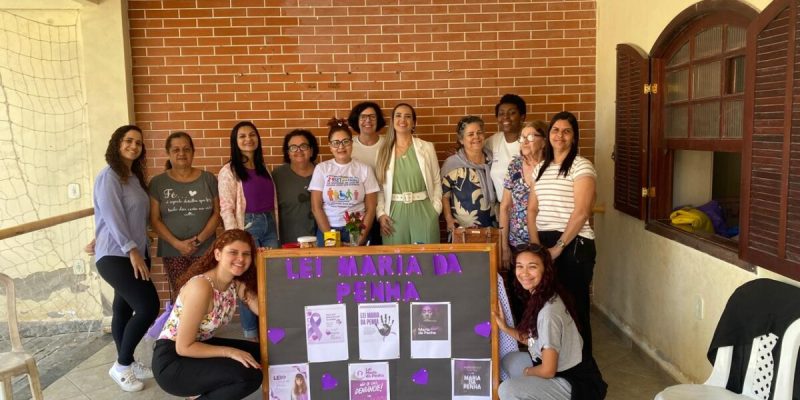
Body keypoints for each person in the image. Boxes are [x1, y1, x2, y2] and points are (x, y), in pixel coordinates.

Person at [152, 229, 262, 400]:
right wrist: (231, 352)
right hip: (173, 360)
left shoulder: (236, 283)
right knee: (249, 375)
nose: (241, 259)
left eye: (246, 254)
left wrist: (265, 261)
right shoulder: (201, 287)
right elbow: (183, 347)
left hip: (199, 345)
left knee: (263, 353)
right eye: (233, 252)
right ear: (217, 254)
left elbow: (264, 312)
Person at [92, 125, 159, 392]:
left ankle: (128, 362)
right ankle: (120, 366)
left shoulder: (133, 177)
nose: (134, 146)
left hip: (134, 252)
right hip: (117, 255)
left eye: (139, 143)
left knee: (122, 309)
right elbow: (111, 214)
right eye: (128, 141)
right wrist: (132, 250)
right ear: (117, 143)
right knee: (148, 307)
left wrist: (143, 241)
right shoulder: (108, 176)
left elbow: (128, 216)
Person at [494, 244, 607, 400]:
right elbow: (535, 340)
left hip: (576, 384)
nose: (524, 273)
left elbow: (548, 370)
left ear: (545, 270)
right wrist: (505, 327)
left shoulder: (548, 313)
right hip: (559, 369)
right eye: (520, 266)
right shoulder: (542, 295)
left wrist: (528, 372)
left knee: (507, 390)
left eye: (532, 267)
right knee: (509, 360)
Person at [526, 111, 597, 356]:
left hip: (573, 244)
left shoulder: (582, 166)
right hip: (544, 242)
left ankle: (582, 369)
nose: (560, 135)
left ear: (574, 137)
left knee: (574, 307)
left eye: (567, 131)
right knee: (546, 306)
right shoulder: (540, 169)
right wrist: (536, 248)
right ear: (548, 135)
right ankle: (552, 362)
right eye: (555, 130)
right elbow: (532, 209)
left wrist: (557, 248)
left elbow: (581, 212)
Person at [218, 120, 279, 340]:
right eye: (242, 136)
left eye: (252, 135)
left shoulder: (264, 169)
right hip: (247, 227)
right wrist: (235, 240)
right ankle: (251, 335)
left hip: (270, 225)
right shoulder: (229, 171)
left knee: (271, 279)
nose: (248, 139)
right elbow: (226, 208)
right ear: (235, 141)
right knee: (247, 282)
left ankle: (270, 332)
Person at [149, 131, 220, 296]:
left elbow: (217, 213)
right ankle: (183, 324)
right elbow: (155, 219)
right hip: (173, 251)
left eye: (186, 149)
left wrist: (197, 241)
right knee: (181, 295)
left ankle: (204, 323)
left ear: (193, 152)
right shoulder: (158, 183)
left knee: (206, 294)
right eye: (176, 150)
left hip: (205, 249)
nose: (181, 153)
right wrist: (178, 244)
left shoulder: (208, 179)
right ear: (168, 153)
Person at [375, 103, 442, 244]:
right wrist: (381, 214)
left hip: (424, 210)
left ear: (414, 123)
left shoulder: (427, 148)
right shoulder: (383, 150)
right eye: (398, 116)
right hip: (393, 214)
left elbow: (436, 181)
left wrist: (435, 210)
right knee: (396, 261)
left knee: (426, 261)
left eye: (408, 116)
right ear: (392, 121)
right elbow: (380, 188)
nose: (402, 120)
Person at [309, 118, 379, 246]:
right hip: (328, 229)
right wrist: (332, 239)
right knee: (330, 266)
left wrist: (359, 239)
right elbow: (316, 207)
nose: (341, 146)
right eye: (336, 143)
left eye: (345, 141)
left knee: (358, 266)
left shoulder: (365, 169)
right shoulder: (322, 169)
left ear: (352, 144)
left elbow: (371, 208)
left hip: (357, 230)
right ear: (330, 146)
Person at [500, 120, 548, 266]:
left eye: (531, 137)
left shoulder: (551, 167)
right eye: (522, 137)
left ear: (544, 141)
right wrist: (504, 247)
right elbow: (505, 206)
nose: (525, 142)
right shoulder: (515, 166)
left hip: (547, 241)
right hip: (517, 243)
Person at [441, 115, 497, 235]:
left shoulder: (494, 161)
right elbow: (444, 195)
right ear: (461, 140)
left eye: (479, 133)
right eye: (470, 134)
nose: (476, 137)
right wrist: (449, 219)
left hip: (493, 225)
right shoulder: (452, 163)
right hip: (462, 228)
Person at [348, 101, 387, 245]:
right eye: (363, 117)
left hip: (386, 206)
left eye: (372, 117)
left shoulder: (387, 145)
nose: (368, 121)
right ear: (357, 121)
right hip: (359, 209)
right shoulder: (349, 146)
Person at [272, 129, 319, 244]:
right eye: (293, 147)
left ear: (312, 150)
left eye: (304, 146)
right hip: (288, 244)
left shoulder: (324, 172)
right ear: (288, 153)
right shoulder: (277, 176)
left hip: (322, 242)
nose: (299, 151)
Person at [485, 94, 527, 204]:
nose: (506, 117)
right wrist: (459, 151)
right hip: (504, 210)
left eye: (512, 113)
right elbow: (473, 148)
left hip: (527, 210)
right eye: (501, 114)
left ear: (522, 116)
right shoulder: (494, 141)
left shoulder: (529, 141)